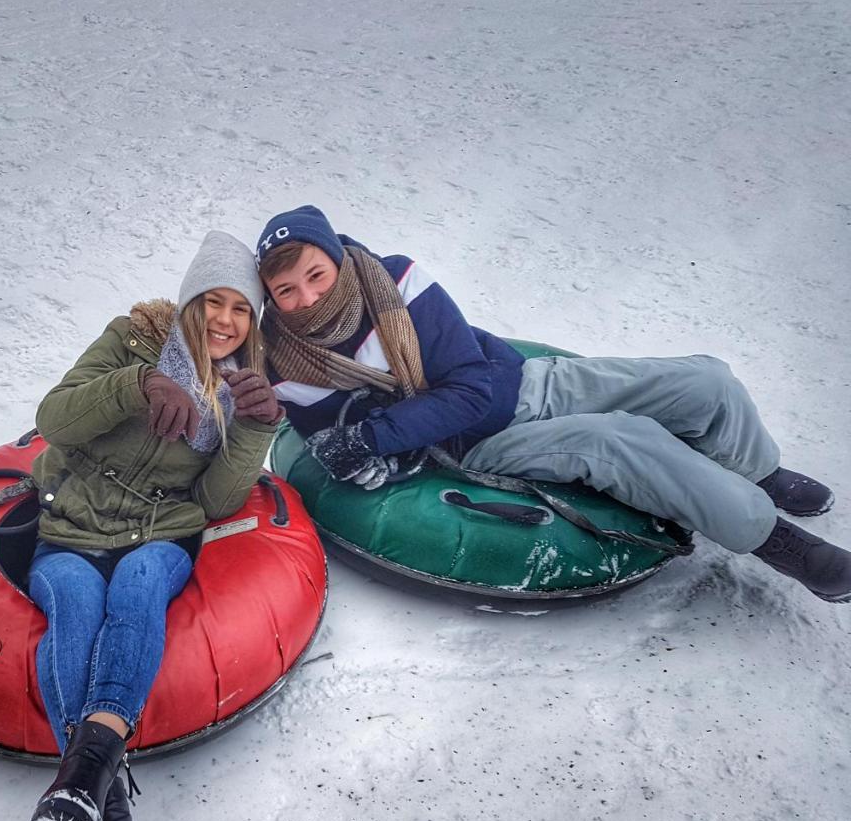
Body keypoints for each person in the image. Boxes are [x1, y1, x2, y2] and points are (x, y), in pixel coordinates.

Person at [254, 204, 851, 603]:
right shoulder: (290, 367)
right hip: (482, 442)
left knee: (706, 380)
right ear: (272, 299)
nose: (307, 298)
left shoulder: (398, 280)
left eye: (317, 274)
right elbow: (342, 442)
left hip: (525, 381)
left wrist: (377, 431)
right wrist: (370, 443)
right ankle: (774, 538)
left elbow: (466, 384)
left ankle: (761, 472)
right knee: (623, 439)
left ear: (338, 258)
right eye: (287, 290)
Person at [26, 231, 283, 821]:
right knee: (77, 604)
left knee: (137, 587)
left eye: (241, 309)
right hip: (70, 531)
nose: (225, 320)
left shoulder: (239, 387)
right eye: (213, 301)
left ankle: (82, 787)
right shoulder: (131, 339)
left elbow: (214, 503)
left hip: (161, 534)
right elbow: (53, 418)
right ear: (191, 300)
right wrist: (136, 386)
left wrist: (255, 431)